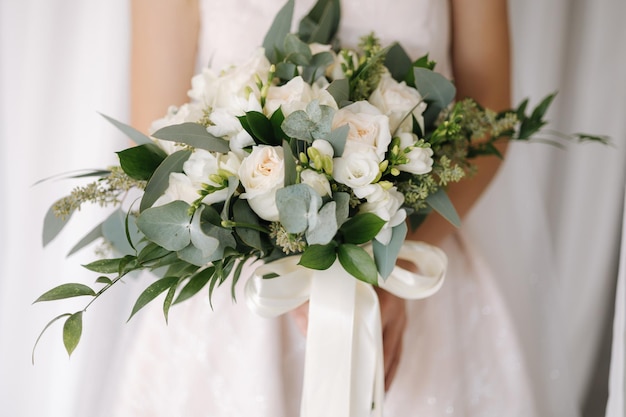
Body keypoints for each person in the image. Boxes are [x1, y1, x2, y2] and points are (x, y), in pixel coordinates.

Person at [108, 0, 534, 416]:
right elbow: (156, 139)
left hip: (413, 252)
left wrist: (381, 269)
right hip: (248, 289)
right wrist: (279, 252)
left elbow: (489, 119)